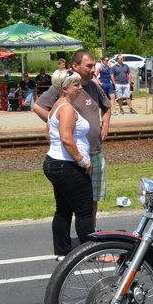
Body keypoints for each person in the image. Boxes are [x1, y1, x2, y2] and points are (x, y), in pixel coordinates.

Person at [34, 49, 112, 225]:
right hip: (74, 155)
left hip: (95, 151)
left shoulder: (93, 86)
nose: (93, 69)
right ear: (75, 66)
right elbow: (38, 107)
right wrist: (58, 125)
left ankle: (91, 231)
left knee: (93, 198)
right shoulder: (64, 87)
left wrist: (105, 124)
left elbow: (107, 106)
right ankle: (85, 238)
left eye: (94, 66)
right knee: (75, 203)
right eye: (89, 66)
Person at [42, 72, 94, 260]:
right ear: (64, 89)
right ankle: (92, 252)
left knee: (63, 209)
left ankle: (62, 251)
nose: (80, 87)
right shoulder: (66, 108)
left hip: (55, 163)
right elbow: (66, 138)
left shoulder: (57, 105)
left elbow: (49, 134)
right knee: (84, 210)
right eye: (76, 85)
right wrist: (82, 160)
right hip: (67, 166)